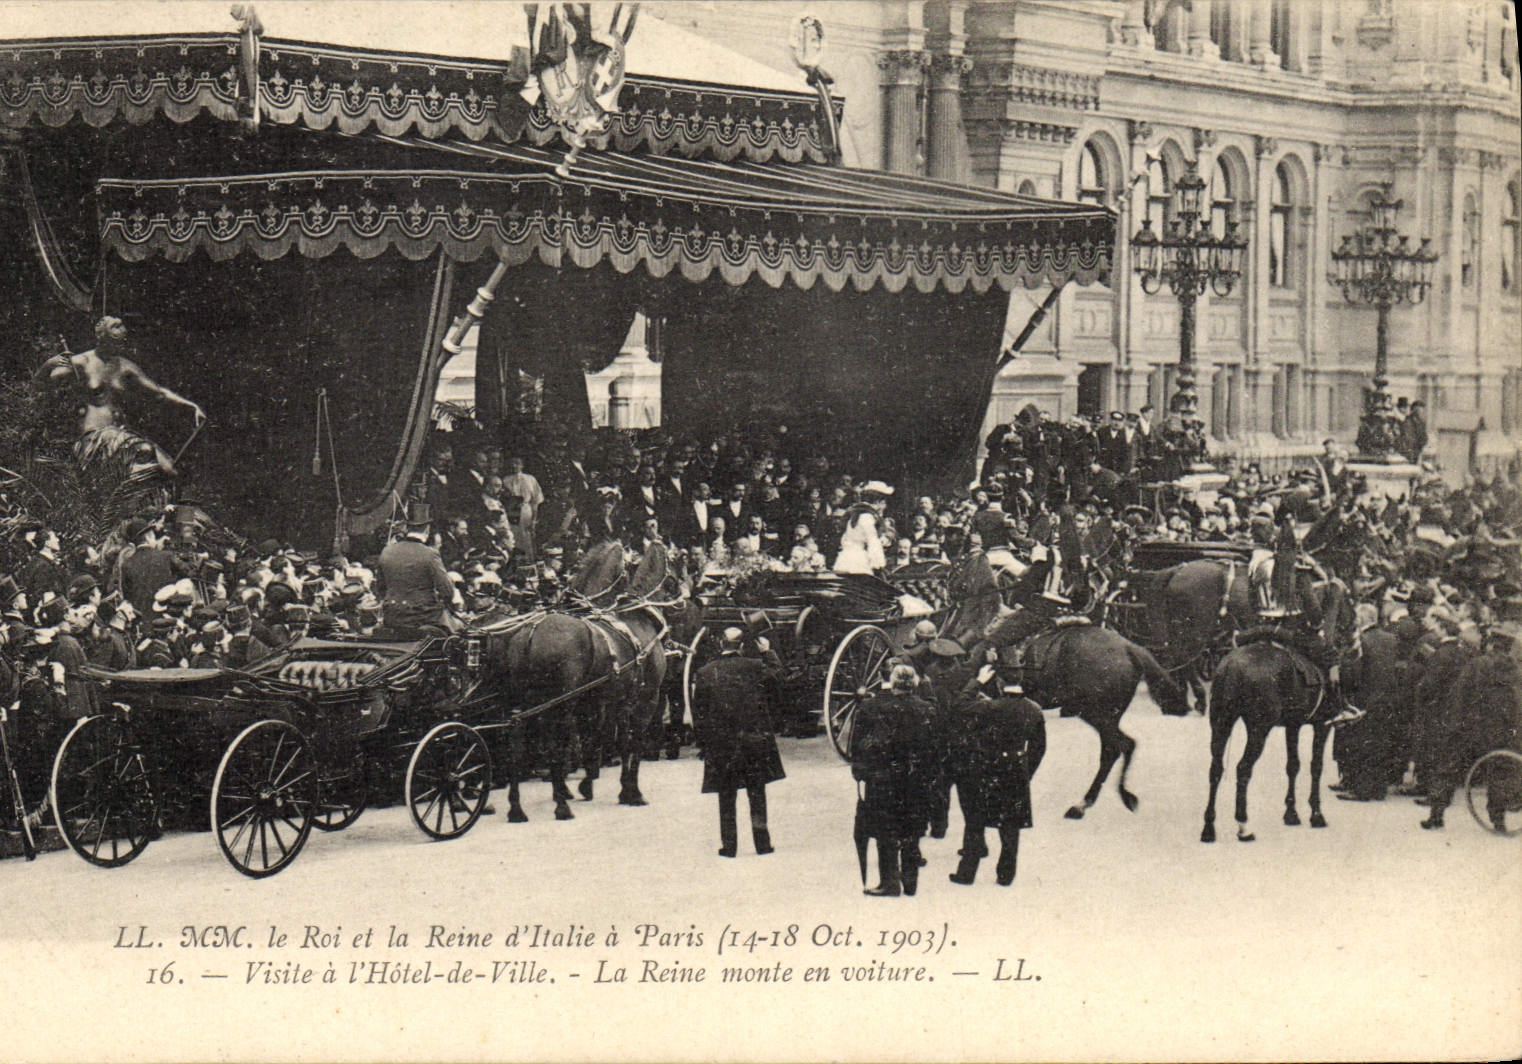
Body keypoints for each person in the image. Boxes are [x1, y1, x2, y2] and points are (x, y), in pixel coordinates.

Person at [35, 316, 206, 478]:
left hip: (121, 434)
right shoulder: (82, 362)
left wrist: (191, 406)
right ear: (101, 335)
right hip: (95, 436)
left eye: (122, 327)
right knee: (145, 451)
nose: (121, 330)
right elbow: (42, 383)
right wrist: (49, 364)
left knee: (169, 469)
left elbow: (158, 392)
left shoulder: (125, 366)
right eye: (115, 326)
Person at [690, 627, 783, 858]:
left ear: (721, 644)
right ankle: (762, 843)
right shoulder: (754, 667)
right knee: (756, 792)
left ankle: (729, 846)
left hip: (722, 746)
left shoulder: (705, 672)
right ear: (741, 647)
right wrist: (767, 652)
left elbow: (698, 714)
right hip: (753, 740)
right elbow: (777, 677)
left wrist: (704, 745)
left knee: (726, 795)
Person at [947, 679, 1046, 887]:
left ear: (1001, 685)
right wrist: (1026, 772)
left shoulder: (989, 707)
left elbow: (959, 705)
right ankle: (1006, 874)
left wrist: (976, 682)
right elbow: (1039, 748)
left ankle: (967, 873)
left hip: (986, 767)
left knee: (975, 821)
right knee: (1011, 824)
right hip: (1016, 769)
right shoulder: (1034, 709)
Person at [850, 663, 937, 897]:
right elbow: (935, 749)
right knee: (912, 830)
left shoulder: (870, 707)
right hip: (915, 780)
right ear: (915, 684)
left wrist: (860, 772)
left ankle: (889, 883)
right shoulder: (927, 710)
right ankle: (910, 882)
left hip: (882, 780)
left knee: (885, 831)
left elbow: (856, 746)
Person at [376, 514, 459, 633]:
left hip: (392, 615)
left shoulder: (387, 551)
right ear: (427, 530)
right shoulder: (430, 554)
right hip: (423, 616)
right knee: (456, 631)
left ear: (406, 529)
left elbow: (381, 587)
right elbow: (447, 591)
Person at [833, 482, 892, 574]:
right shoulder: (866, 516)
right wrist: (878, 563)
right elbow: (872, 539)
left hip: (846, 556)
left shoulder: (855, 513)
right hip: (858, 558)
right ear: (877, 500)